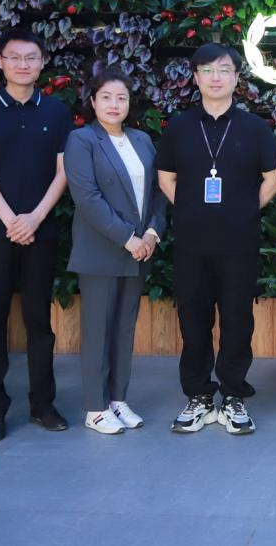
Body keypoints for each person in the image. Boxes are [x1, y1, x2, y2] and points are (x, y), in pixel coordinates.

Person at [156, 43, 276, 436]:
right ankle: (197, 395)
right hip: (191, 241)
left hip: (239, 241)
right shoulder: (179, 126)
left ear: (236, 78)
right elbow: (166, 177)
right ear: (195, 78)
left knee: (237, 320)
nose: (216, 77)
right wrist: (190, 208)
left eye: (224, 70)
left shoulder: (254, 128)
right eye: (207, 70)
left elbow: (273, 178)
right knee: (193, 320)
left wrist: (245, 210)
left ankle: (233, 395)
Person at [0, 28, 72, 442]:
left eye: (31, 57)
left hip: (41, 232)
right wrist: (12, 220)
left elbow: (64, 171)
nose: (23, 64)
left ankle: (43, 403)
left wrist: (35, 218)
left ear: (42, 63)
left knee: (39, 321)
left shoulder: (56, 111)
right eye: (14, 57)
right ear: (0, 62)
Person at [64, 69, 167, 435]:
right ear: (93, 102)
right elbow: (87, 197)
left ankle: (117, 399)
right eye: (106, 97)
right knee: (98, 330)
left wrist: (151, 233)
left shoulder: (142, 140)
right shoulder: (82, 140)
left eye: (121, 97)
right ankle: (95, 408)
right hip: (102, 250)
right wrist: (128, 238)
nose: (114, 104)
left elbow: (159, 191)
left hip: (139, 250)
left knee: (124, 328)